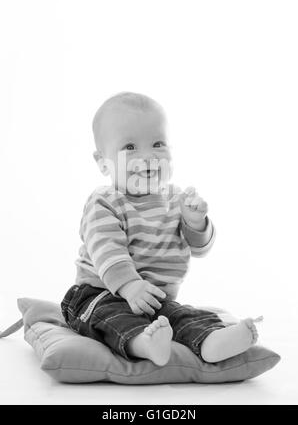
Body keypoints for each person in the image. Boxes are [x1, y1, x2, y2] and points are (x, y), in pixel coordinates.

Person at [61, 92, 262, 366]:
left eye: (158, 144)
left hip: (155, 299)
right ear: (102, 162)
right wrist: (130, 287)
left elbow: (200, 248)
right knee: (112, 317)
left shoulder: (175, 199)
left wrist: (196, 222)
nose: (147, 157)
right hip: (99, 293)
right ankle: (143, 343)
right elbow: (107, 250)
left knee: (181, 315)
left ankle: (211, 341)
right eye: (130, 147)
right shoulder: (105, 201)